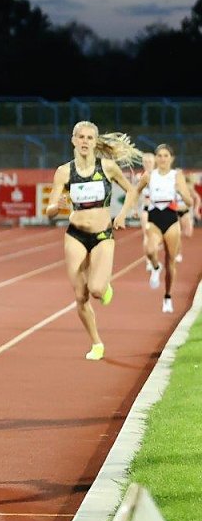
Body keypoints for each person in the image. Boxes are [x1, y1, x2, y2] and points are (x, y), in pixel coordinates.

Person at [45, 122, 139, 357]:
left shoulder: (107, 167)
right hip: (75, 235)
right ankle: (97, 343)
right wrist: (58, 206)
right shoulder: (64, 172)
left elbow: (131, 190)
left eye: (89, 137)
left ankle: (103, 287)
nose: (85, 141)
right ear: (73, 140)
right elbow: (49, 210)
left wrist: (122, 215)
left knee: (96, 289)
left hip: (102, 235)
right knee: (80, 295)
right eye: (81, 137)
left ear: (96, 142)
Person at [134, 143, 196, 313]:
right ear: (156, 158)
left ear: (171, 158)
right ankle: (155, 267)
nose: (162, 159)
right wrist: (130, 210)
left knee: (170, 262)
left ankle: (167, 297)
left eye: (166, 156)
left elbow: (189, 202)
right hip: (154, 218)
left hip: (171, 219)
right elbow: (135, 191)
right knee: (150, 250)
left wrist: (181, 192)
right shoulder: (149, 175)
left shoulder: (177, 175)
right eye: (159, 156)